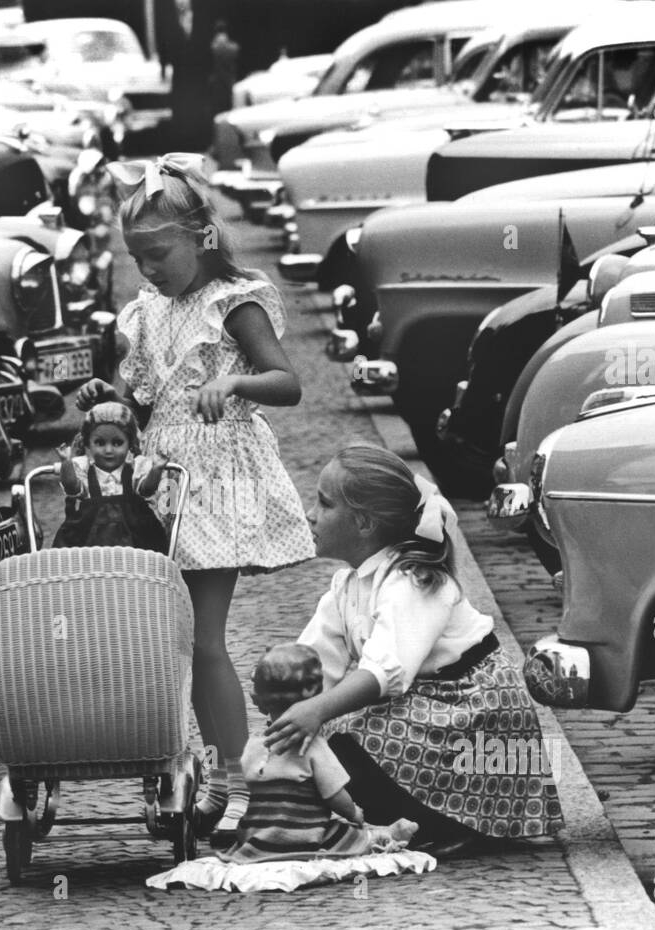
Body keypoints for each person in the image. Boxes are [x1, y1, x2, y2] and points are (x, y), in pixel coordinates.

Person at [75, 153, 314, 842]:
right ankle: (204, 775)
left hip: (212, 480)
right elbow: (144, 404)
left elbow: (287, 382)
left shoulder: (229, 302)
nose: (148, 269)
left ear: (202, 236)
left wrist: (235, 385)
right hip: (158, 483)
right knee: (169, 641)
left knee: (204, 640)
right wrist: (107, 405)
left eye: (158, 253)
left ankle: (241, 784)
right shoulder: (148, 312)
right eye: (136, 257)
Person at [264, 443, 563, 858]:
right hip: (425, 706)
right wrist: (286, 703)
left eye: (324, 504)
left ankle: (452, 820)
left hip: (473, 713)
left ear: (365, 523)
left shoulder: (415, 580)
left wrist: (317, 713)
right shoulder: (347, 586)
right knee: (324, 741)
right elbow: (315, 662)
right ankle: (390, 813)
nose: (310, 514)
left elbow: (386, 672)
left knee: (350, 735)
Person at [220, 642, 417, 863]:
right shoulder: (313, 746)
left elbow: (249, 778)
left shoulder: (255, 744)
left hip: (259, 837)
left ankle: (261, 845)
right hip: (306, 836)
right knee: (347, 834)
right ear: (314, 697)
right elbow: (334, 794)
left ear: (260, 701)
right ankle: (382, 836)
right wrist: (353, 813)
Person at [52, 401, 169, 552]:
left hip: (134, 540)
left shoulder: (135, 468)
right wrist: (66, 463)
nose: (108, 450)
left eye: (117, 443)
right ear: (88, 443)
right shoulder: (85, 470)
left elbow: (146, 489)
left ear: (130, 444)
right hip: (90, 542)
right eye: (100, 443)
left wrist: (156, 470)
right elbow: (72, 487)